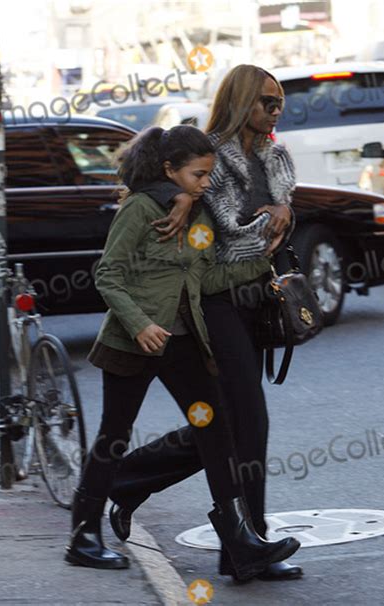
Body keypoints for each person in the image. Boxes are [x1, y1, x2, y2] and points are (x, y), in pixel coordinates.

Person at [64, 124, 300, 581]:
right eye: (197, 175)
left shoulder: (198, 216)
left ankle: (241, 540)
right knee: (114, 435)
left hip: (185, 343)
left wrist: (263, 263)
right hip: (134, 342)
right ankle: (83, 536)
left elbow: (205, 278)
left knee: (217, 430)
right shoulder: (138, 209)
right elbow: (108, 274)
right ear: (169, 170)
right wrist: (140, 323)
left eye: (210, 175)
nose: (206, 183)